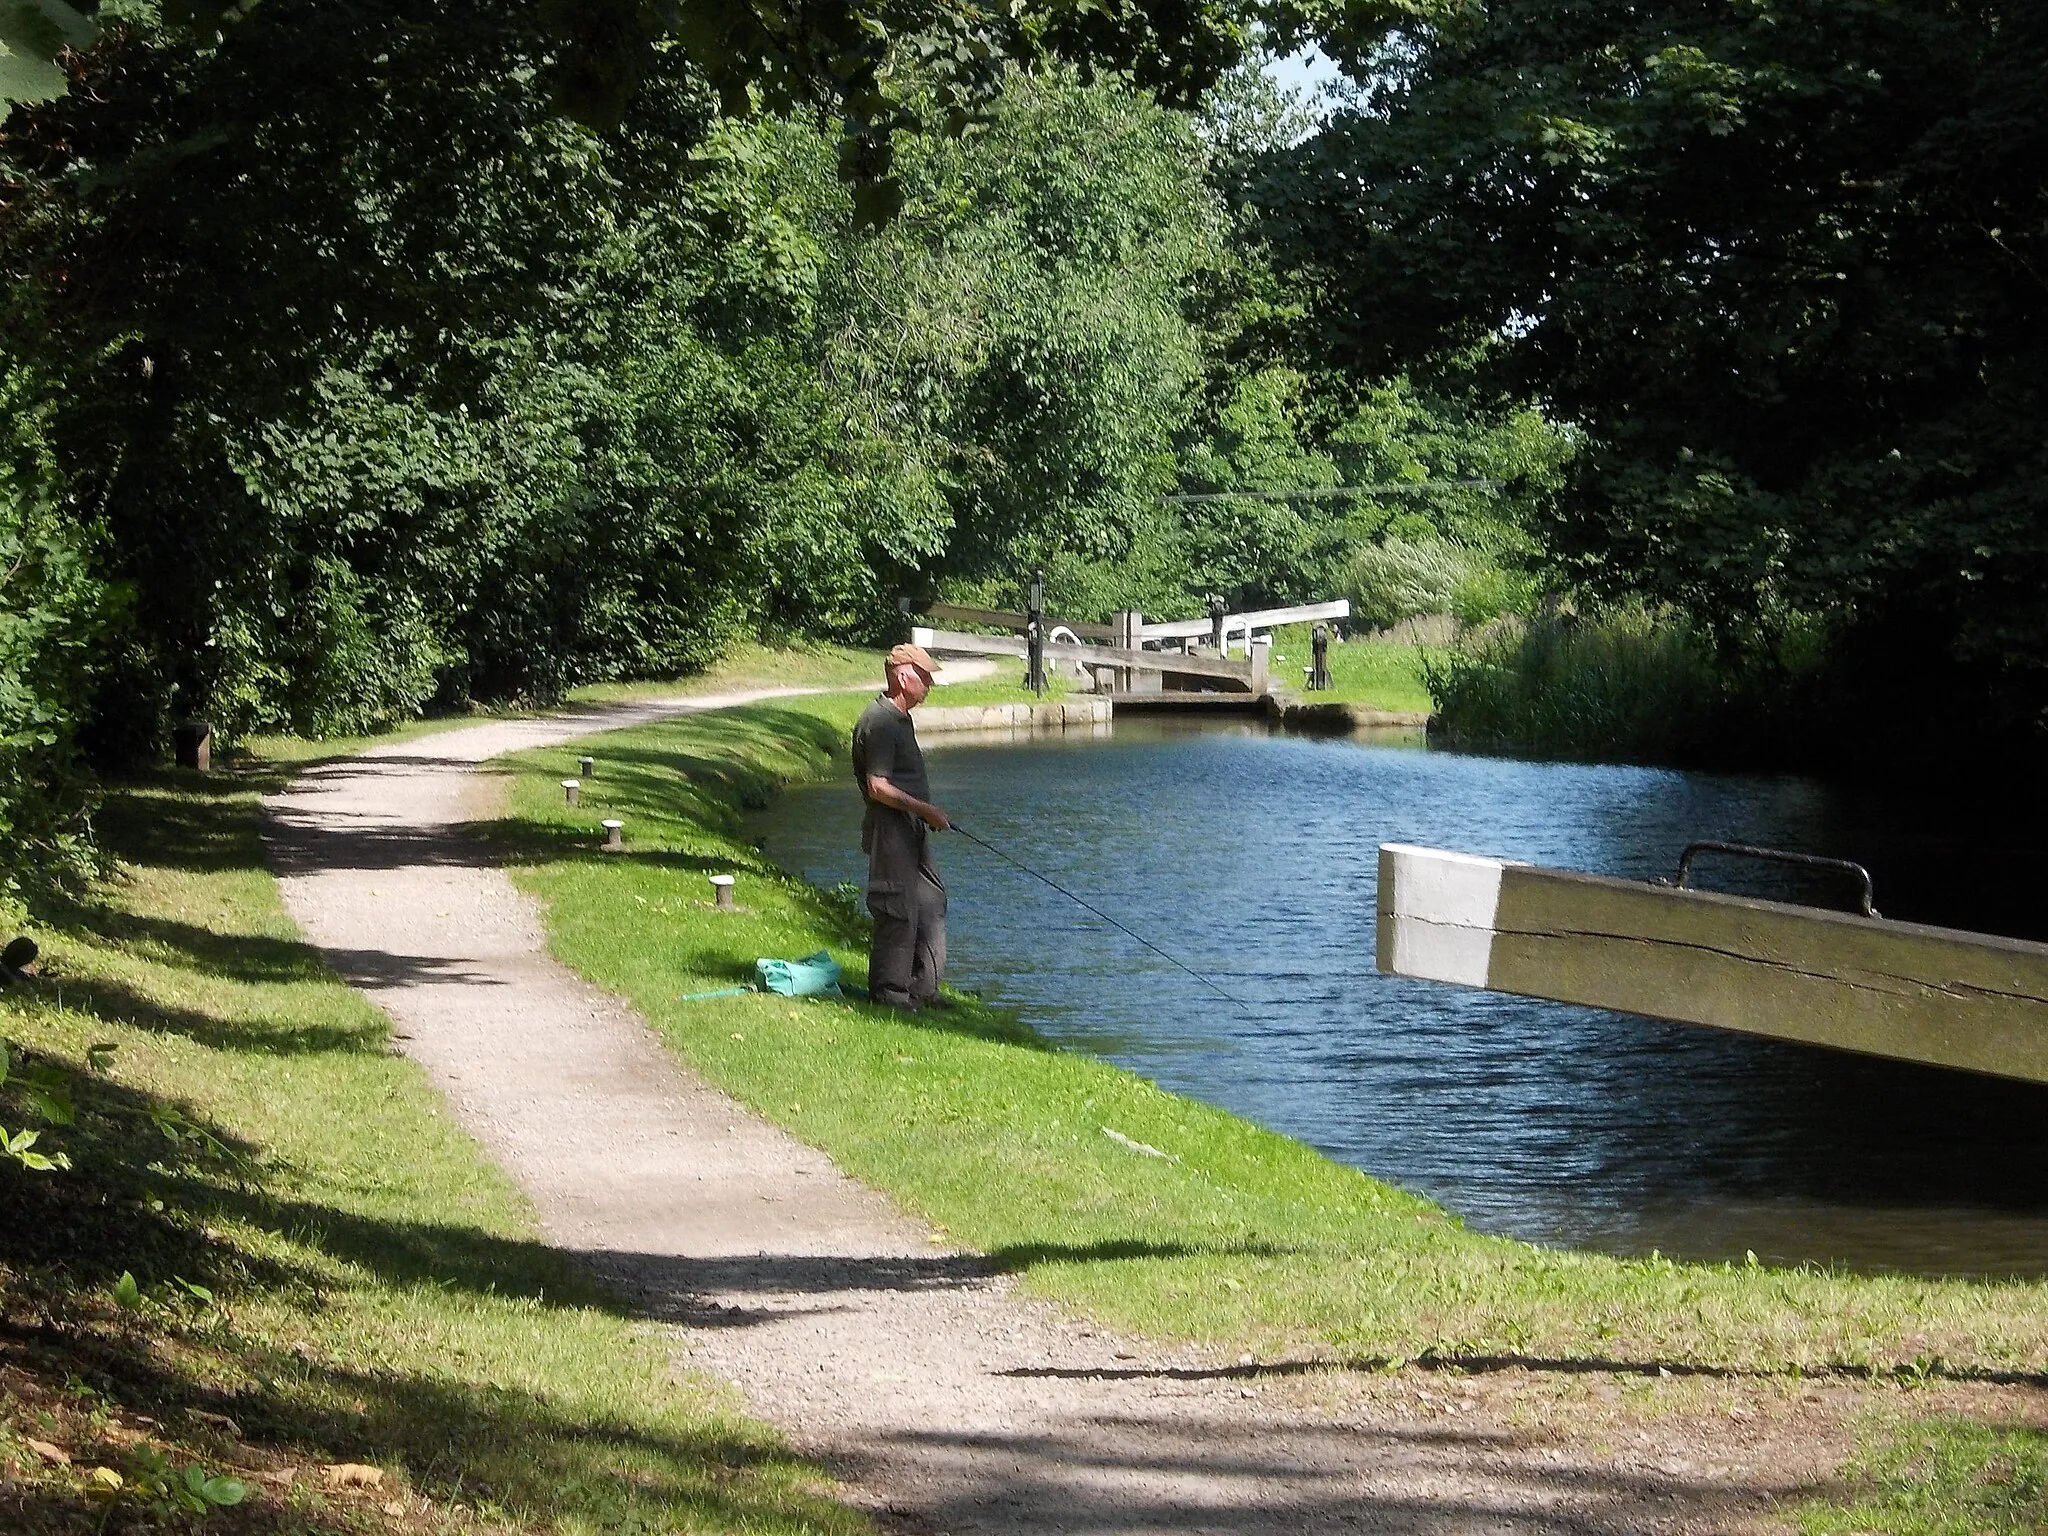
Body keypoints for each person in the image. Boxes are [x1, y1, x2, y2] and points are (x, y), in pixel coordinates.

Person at [851, 643, 951, 1008]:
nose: (929, 685)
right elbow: (878, 787)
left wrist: (924, 815)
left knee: (931, 902)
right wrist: (925, 809)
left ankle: (923, 990)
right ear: (902, 675)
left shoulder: (899, 718)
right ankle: (890, 993)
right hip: (891, 829)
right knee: (896, 908)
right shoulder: (879, 721)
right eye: (924, 677)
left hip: (913, 830)